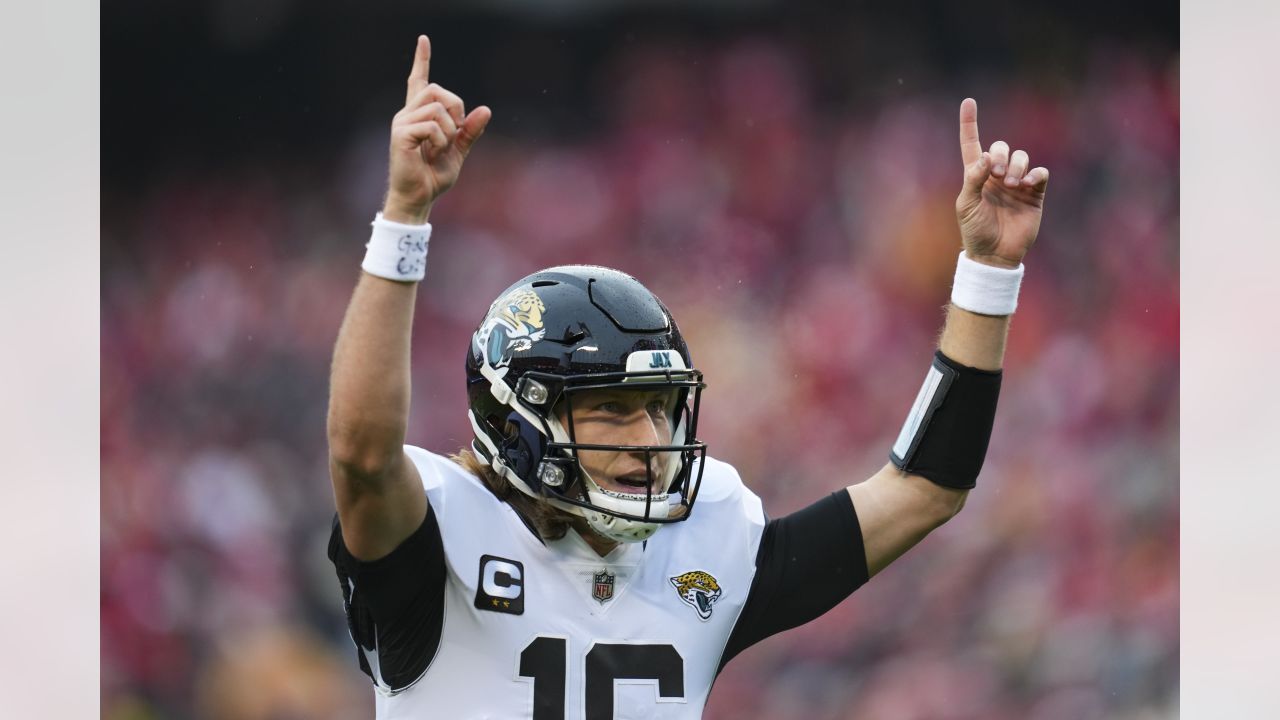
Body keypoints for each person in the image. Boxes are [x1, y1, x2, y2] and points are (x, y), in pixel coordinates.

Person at [326, 35, 1049, 719]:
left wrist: (989, 272)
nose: (648, 437)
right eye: (611, 409)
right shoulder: (443, 542)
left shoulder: (707, 548)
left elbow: (927, 487)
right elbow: (361, 452)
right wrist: (405, 215)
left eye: (660, 408)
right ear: (519, 423)